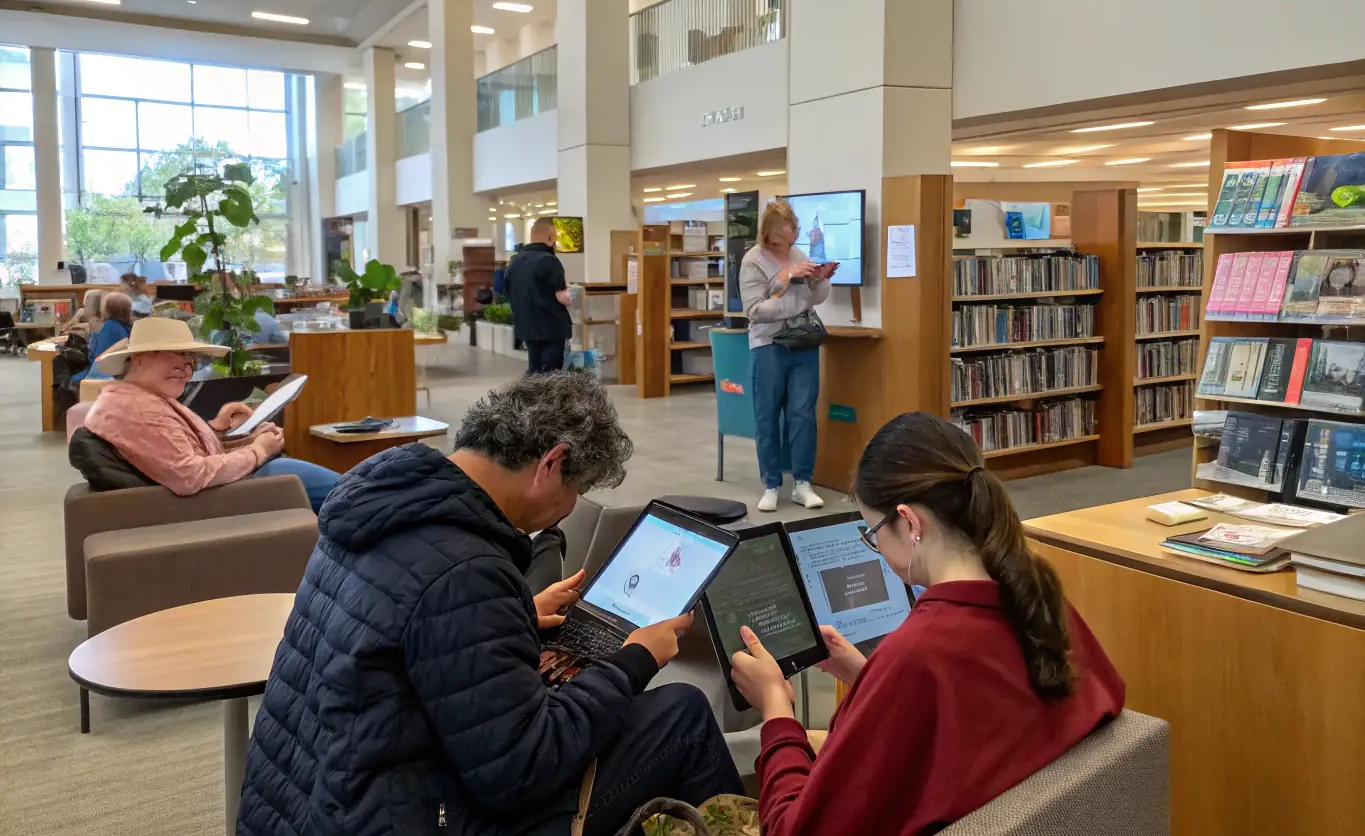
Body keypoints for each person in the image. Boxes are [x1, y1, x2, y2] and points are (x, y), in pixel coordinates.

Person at [236, 371, 742, 836]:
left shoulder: (381, 504)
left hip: (302, 801)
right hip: (392, 816)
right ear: (552, 463)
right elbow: (521, 771)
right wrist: (634, 661)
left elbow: (408, 636)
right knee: (683, 713)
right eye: (578, 489)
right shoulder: (466, 570)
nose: (567, 511)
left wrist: (514, 615)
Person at [729, 412, 1125, 836]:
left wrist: (775, 707)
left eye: (872, 531)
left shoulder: (921, 652)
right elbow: (976, 713)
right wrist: (869, 679)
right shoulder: (1039, 596)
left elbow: (794, 830)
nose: (875, 546)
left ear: (911, 523)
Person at [75, 317, 342, 512]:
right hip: (235, 495)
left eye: (191, 360)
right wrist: (258, 450)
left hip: (235, 488)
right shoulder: (136, 408)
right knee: (361, 495)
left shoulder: (136, 399)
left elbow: (172, 450)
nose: (186, 368)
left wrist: (220, 430)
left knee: (362, 493)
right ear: (140, 357)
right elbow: (190, 475)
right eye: (178, 355)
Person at [739, 200, 836, 512]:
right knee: (767, 415)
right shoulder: (752, 261)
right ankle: (771, 484)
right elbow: (754, 310)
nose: (795, 229)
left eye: (795, 224)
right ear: (771, 230)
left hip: (802, 343)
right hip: (768, 345)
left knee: (803, 414)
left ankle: (803, 483)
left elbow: (816, 299)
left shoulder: (799, 255)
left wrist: (819, 279)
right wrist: (784, 281)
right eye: (789, 224)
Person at [505, 216, 573, 374]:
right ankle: (546, 399)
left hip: (526, 327)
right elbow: (562, 297)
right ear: (550, 237)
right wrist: (570, 296)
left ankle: (529, 397)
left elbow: (507, 291)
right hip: (550, 328)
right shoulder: (549, 261)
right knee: (550, 373)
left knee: (534, 369)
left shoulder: (515, 261)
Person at [72, 291, 133, 386]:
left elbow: (97, 357)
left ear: (107, 310)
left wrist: (94, 336)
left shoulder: (109, 326)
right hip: (116, 375)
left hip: (101, 375)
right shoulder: (125, 325)